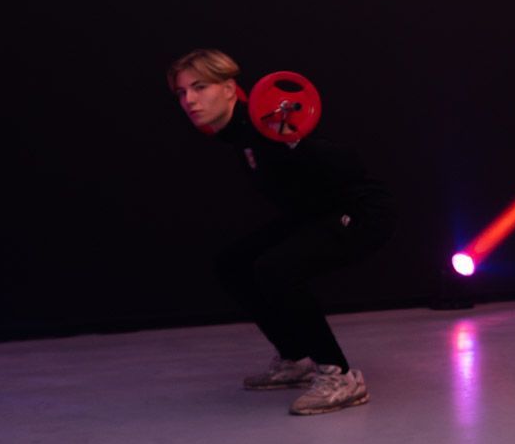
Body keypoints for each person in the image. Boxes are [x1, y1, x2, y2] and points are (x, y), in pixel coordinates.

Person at [168, 50, 392, 415]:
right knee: (232, 264)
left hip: (361, 213)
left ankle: (340, 376)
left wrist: (296, 142)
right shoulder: (235, 131)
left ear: (228, 89)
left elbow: (348, 162)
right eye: (181, 93)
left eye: (199, 87)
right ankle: (295, 359)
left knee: (277, 267)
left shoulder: (263, 120)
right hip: (316, 213)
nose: (189, 100)